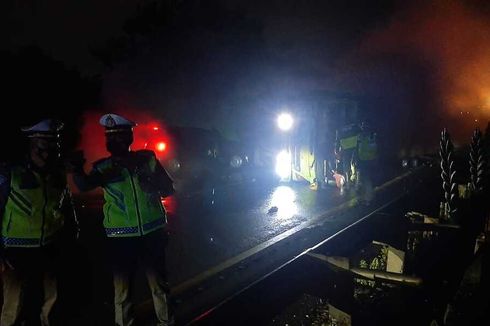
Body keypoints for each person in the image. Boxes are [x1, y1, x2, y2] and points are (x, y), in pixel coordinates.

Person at [69, 113, 175, 326]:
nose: (113, 142)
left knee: (159, 287)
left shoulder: (148, 160)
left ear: (129, 139)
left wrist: (152, 184)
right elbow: (84, 185)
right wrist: (76, 169)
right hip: (121, 240)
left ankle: (166, 322)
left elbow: (168, 188)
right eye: (110, 138)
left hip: (152, 234)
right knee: (122, 292)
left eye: (118, 137)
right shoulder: (103, 167)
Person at [0, 119, 77, 326]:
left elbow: (66, 208)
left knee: (51, 306)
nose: (47, 154)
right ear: (31, 145)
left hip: (50, 249)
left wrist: (72, 238)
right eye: (42, 149)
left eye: (53, 149)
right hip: (16, 252)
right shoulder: (10, 173)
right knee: (13, 308)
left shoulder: (57, 175)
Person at [355, 122, 378, 205]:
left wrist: (356, 159)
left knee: (366, 179)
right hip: (369, 159)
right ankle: (366, 197)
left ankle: (368, 198)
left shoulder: (362, 136)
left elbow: (358, 148)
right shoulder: (372, 136)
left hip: (365, 160)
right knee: (365, 179)